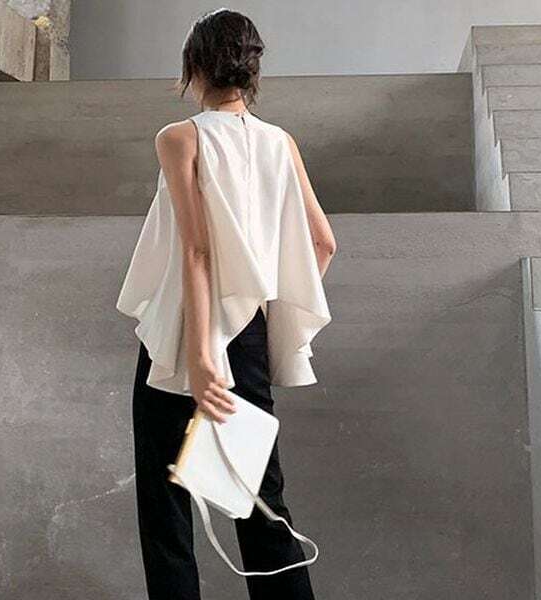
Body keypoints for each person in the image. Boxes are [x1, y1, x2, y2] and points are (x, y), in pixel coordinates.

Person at [115, 8, 336, 600]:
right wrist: (259, 313)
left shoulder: (179, 137)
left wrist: (200, 353)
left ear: (193, 65)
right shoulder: (279, 142)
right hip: (248, 336)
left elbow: (198, 250)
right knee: (260, 497)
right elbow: (323, 243)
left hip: (181, 334)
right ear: (251, 70)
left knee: (165, 501)